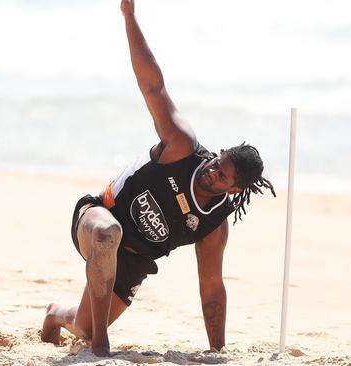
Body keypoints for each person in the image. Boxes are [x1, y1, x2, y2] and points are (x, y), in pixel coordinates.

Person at [41, 0, 275, 357]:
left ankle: (56, 315)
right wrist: (130, 17)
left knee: (83, 327)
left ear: (235, 189)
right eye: (218, 162)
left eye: (222, 175)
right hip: (99, 216)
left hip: (133, 260)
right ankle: (102, 347)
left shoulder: (213, 226)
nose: (213, 170)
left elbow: (211, 288)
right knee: (108, 235)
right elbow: (153, 86)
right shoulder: (182, 146)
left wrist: (218, 351)